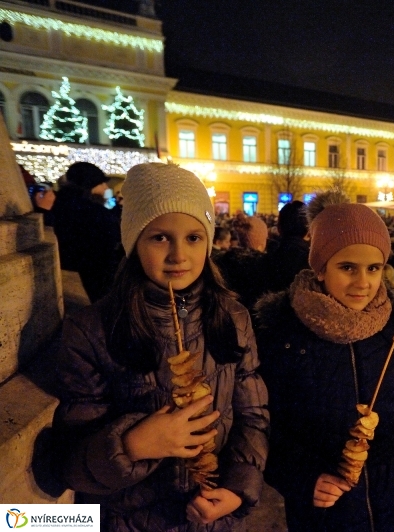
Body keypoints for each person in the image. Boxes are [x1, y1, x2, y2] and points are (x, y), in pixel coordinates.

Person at [51, 163, 269, 531]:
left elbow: (252, 415)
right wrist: (133, 445)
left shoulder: (233, 316)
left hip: (212, 518)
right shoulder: (90, 330)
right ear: (134, 241)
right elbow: (69, 461)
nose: (178, 255)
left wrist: (237, 487)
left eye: (193, 238)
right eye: (160, 237)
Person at [253, 190, 394, 531]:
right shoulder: (283, 335)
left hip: (390, 506)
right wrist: (303, 477)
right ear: (321, 268)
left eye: (374, 268)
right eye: (347, 267)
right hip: (324, 514)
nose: (363, 282)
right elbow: (265, 426)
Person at [51, 161, 123, 302]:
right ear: (90, 184)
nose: (105, 188)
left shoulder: (65, 203)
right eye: (102, 184)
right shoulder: (89, 211)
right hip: (93, 275)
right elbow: (111, 234)